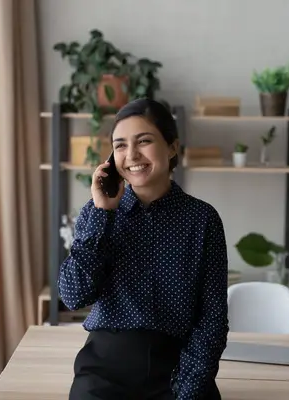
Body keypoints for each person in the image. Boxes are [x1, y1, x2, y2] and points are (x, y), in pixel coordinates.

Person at [58, 98, 229, 399]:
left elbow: (212, 319)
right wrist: (103, 214)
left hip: (179, 366)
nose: (132, 155)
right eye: (120, 145)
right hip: (105, 369)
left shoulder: (203, 219)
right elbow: (73, 295)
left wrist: (187, 390)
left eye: (144, 141)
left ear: (172, 147)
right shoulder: (96, 213)